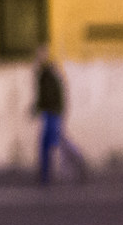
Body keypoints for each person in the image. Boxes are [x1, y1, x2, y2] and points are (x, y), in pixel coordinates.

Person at [32, 47, 88, 184]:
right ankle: (46, 175)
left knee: (55, 142)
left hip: (53, 113)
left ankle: (75, 163)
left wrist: (39, 108)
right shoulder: (45, 74)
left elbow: (49, 96)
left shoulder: (47, 75)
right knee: (50, 143)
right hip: (51, 112)